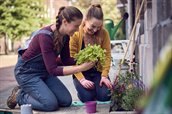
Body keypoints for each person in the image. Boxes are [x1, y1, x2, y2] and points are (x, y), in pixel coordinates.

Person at [7, 6, 95, 111]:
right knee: (50, 104)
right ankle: (19, 96)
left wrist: (84, 59)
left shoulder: (66, 36)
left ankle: (38, 92)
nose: (77, 30)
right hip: (27, 73)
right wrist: (80, 68)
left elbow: (66, 60)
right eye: (76, 26)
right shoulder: (45, 36)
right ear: (65, 21)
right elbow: (53, 70)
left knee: (66, 101)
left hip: (44, 72)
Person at [70, 4, 112, 103]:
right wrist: (82, 80)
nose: (95, 30)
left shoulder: (104, 33)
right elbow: (71, 58)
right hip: (81, 72)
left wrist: (104, 76)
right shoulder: (76, 34)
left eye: (98, 27)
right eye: (92, 26)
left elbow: (107, 55)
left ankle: (97, 89)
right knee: (87, 98)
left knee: (105, 96)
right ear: (85, 20)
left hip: (98, 72)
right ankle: (84, 91)